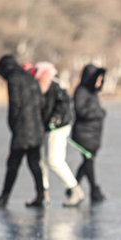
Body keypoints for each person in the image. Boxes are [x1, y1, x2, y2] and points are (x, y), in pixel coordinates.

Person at [0, 55, 46, 208]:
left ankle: (4, 198)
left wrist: (13, 126)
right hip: (37, 129)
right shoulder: (31, 78)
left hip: (22, 130)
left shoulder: (14, 79)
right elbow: (42, 103)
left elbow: (15, 106)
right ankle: (41, 195)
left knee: (13, 164)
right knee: (34, 164)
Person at [34, 62, 85, 207]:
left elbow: (64, 105)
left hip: (58, 129)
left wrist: (55, 120)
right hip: (46, 129)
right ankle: (43, 193)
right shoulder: (41, 86)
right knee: (41, 161)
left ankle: (75, 190)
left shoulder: (55, 86)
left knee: (55, 161)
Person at [71, 63, 107, 203]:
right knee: (89, 161)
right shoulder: (81, 91)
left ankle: (73, 186)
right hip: (84, 134)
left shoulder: (93, 92)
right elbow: (80, 110)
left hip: (94, 134)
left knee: (87, 161)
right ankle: (94, 190)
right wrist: (98, 113)